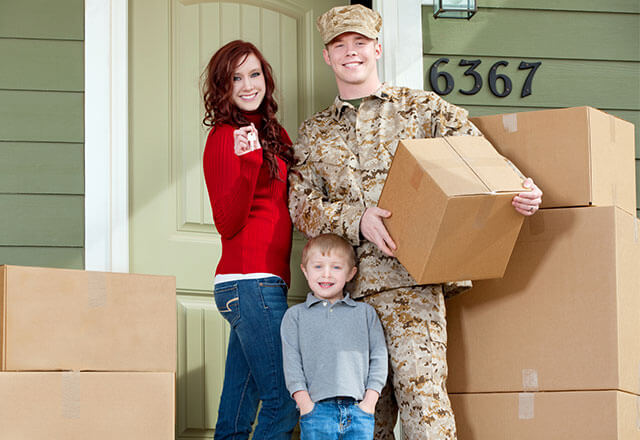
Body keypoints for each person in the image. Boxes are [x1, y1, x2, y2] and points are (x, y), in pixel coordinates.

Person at [287, 5, 543, 440]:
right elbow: (300, 204)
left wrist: (521, 189)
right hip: (346, 296)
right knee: (362, 417)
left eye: (360, 44)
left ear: (378, 49)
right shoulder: (314, 133)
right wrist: (357, 219)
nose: (351, 53)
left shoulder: (421, 109)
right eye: (340, 46)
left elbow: (477, 161)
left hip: (412, 286)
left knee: (423, 402)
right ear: (327, 57)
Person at [202, 39, 298, 440]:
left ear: (266, 79)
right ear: (222, 87)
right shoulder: (226, 136)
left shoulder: (274, 133)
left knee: (238, 410)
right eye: (235, 78)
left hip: (263, 282)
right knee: (285, 401)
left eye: (254, 74)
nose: (247, 85)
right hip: (249, 280)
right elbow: (227, 222)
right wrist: (249, 164)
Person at [281, 233, 388, 440]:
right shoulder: (295, 317)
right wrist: (305, 405)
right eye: (318, 266)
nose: (326, 275)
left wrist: (369, 403)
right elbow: (292, 364)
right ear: (305, 270)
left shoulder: (365, 313)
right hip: (317, 412)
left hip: (359, 411)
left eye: (336, 267)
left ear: (350, 273)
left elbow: (379, 357)